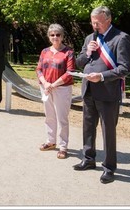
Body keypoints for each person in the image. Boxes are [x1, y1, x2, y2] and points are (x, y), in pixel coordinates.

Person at [74, 6, 130, 184]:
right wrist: (88, 52)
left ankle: (109, 167)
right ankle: (89, 158)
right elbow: (79, 62)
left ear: (108, 19)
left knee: (108, 131)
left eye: (97, 22)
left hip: (108, 92)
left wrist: (101, 76)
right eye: (92, 22)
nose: (94, 25)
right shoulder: (89, 38)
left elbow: (124, 68)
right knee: (88, 127)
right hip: (89, 90)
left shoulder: (121, 38)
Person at [36, 24, 75, 159]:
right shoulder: (44, 51)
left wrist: (54, 84)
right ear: (49, 36)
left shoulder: (68, 52)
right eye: (52, 35)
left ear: (62, 36)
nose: (55, 37)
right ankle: (51, 141)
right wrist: (46, 83)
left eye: (58, 35)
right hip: (46, 88)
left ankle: (63, 146)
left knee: (62, 118)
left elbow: (70, 73)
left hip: (62, 89)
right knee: (49, 116)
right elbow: (39, 69)